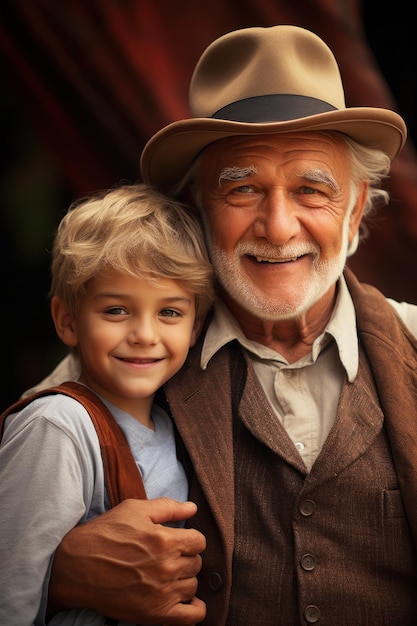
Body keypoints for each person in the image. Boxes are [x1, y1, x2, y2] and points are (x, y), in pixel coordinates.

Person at [20, 24, 417, 626]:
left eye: (312, 189)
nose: (278, 227)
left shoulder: (414, 345)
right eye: (243, 190)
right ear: (197, 205)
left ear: (357, 204)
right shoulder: (132, 356)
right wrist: (56, 573)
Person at [0, 183, 214, 626]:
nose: (144, 334)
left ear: (195, 329)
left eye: (169, 312)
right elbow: (11, 589)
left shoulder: (176, 426)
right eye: (116, 310)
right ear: (66, 320)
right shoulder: (57, 425)